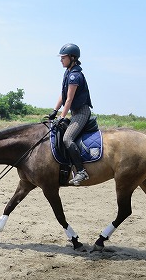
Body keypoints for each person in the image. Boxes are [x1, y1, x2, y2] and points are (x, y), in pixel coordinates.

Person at [48, 43, 93, 185]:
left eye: (63, 57)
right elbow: (63, 95)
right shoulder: (68, 72)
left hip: (81, 112)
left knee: (67, 139)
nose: (61, 60)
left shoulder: (75, 76)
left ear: (72, 58)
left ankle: (81, 171)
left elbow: (69, 99)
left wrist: (61, 117)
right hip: (74, 112)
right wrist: (54, 111)